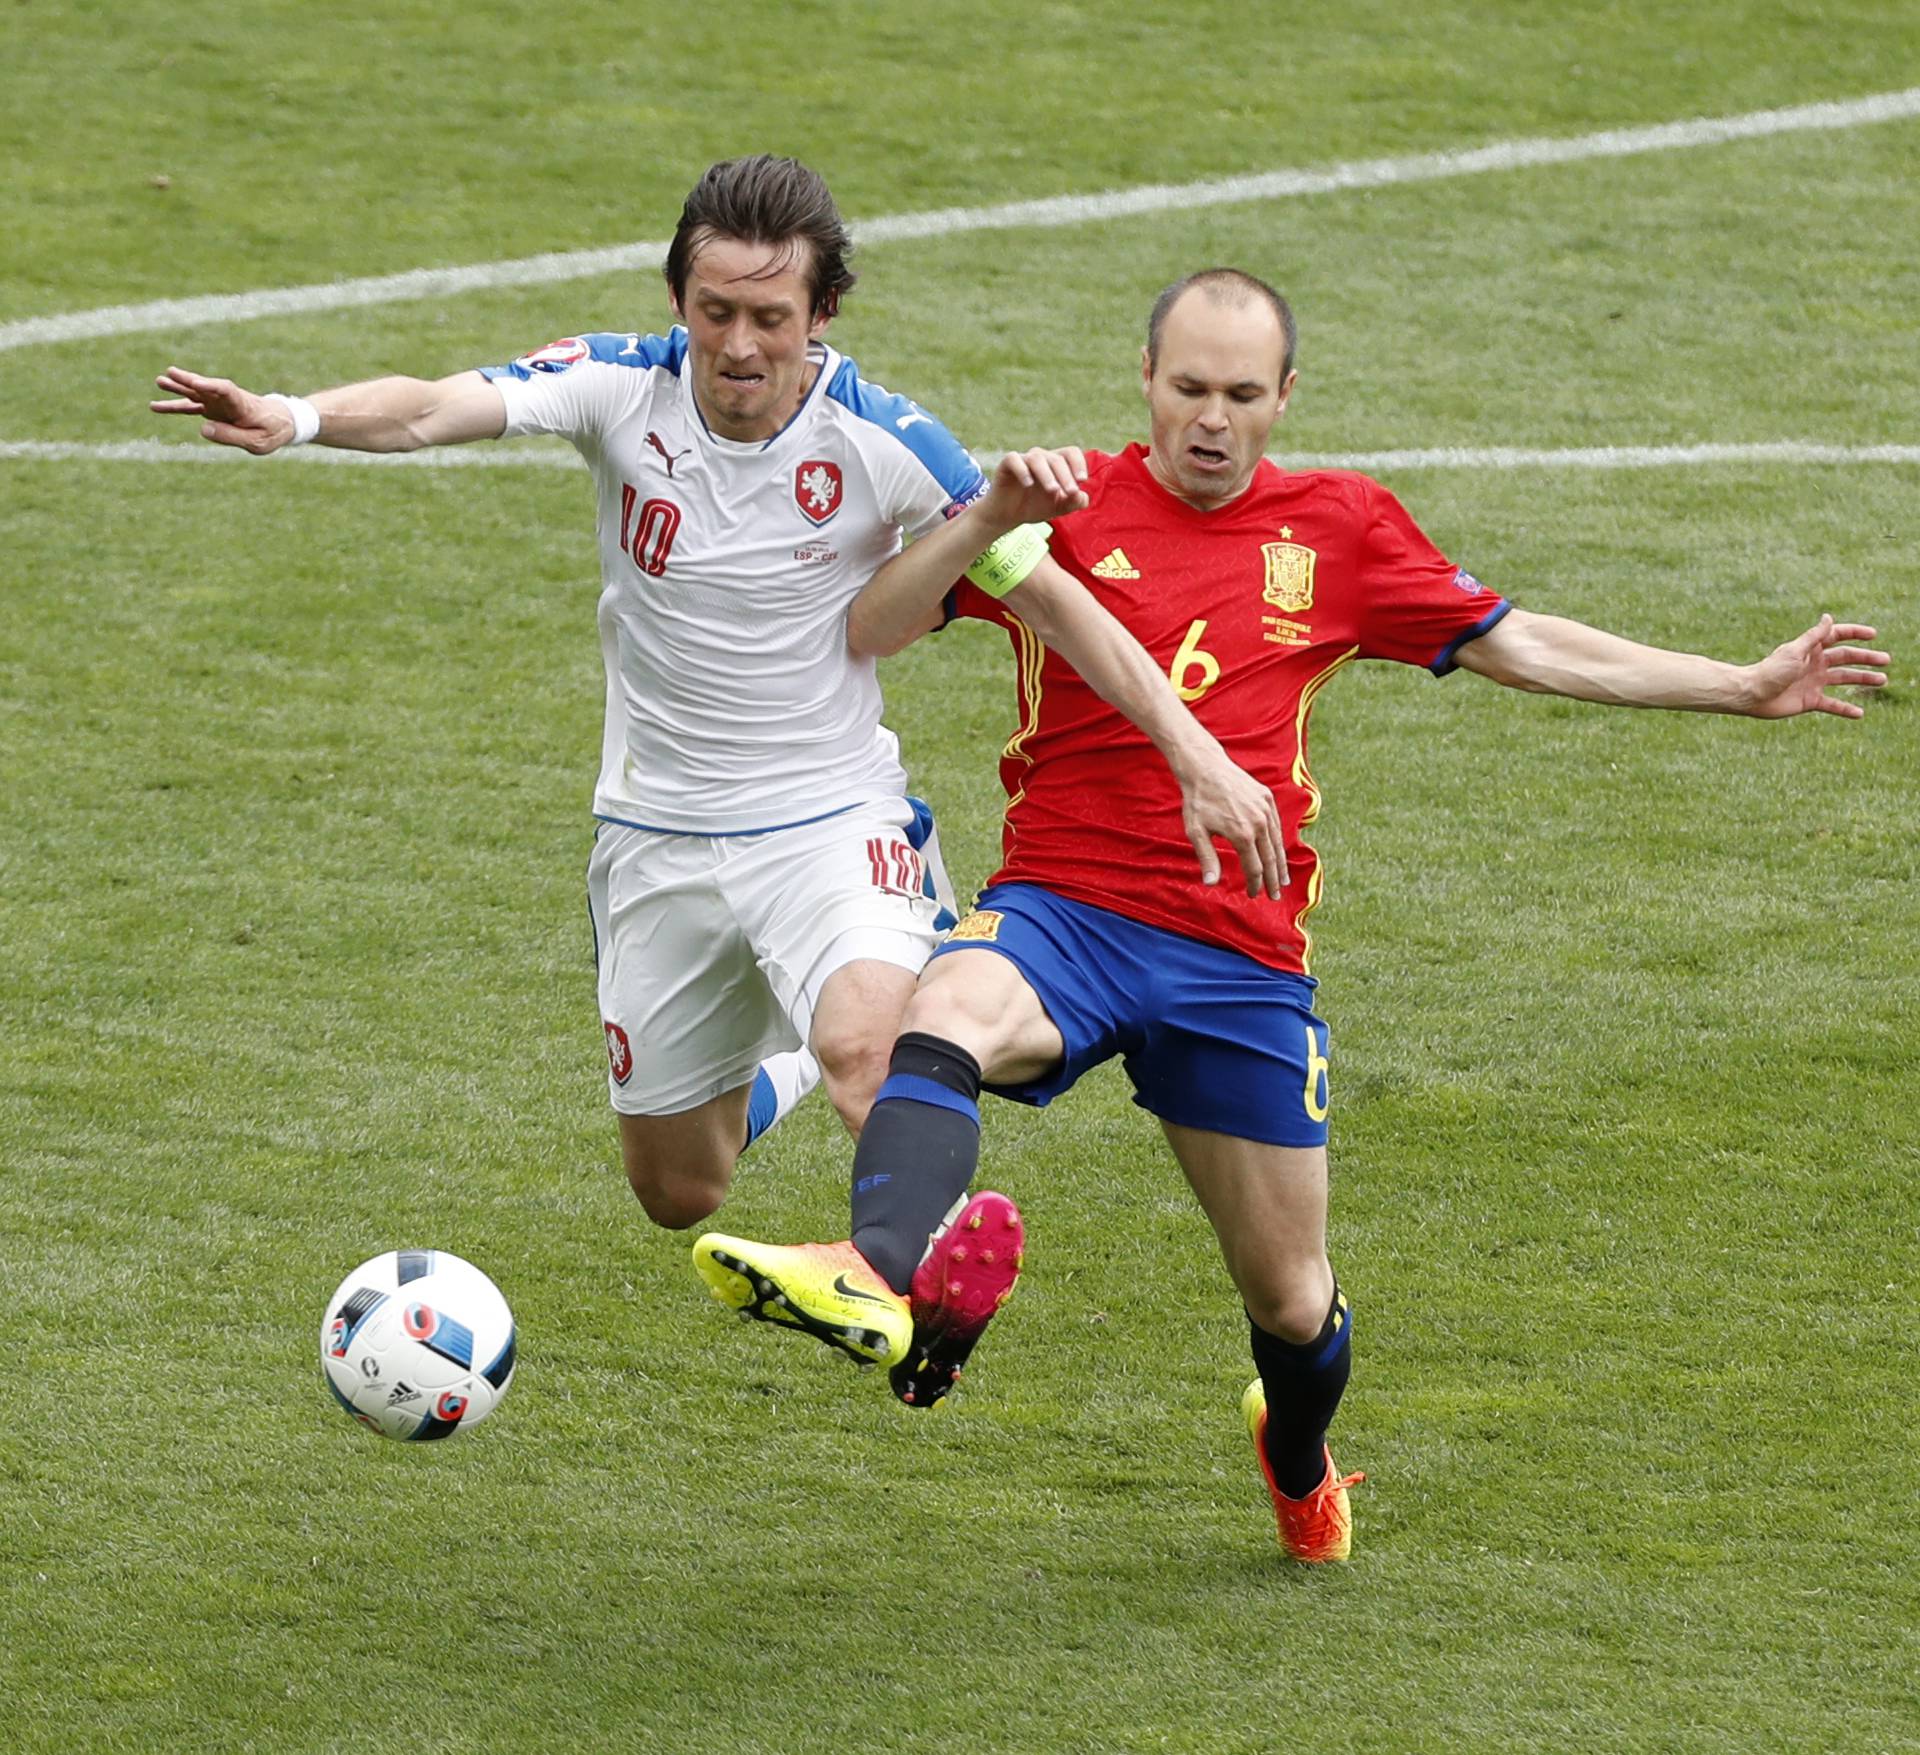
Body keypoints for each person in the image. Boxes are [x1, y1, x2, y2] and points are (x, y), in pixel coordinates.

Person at [691, 267, 1891, 1562]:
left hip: (1239, 959)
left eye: (1242, 395)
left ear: (1285, 398)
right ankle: (882, 1268)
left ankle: (1300, 1453)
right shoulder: (1068, 508)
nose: (1211, 419)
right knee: (945, 1014)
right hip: (1065, 910)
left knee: (1289, 1293)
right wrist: (990, 511)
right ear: (1145, 379)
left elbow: (1524, 642)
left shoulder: (1344, 527)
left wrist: (1742, 684)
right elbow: (869, 625)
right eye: (1190, 388)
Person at [151, 162, 1281, 1234]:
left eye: (771, 317)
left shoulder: (886, 439)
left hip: (830, 821)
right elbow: (430, 407)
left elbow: (1063, 604)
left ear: (822, 312)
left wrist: (1197, 754)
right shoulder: (618, 386)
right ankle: (778, 1065)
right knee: (681, 1190)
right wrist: (293, 417)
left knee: (870, 1055)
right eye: (714, 311)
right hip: (656, 836)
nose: (738, 346)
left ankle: (919, 1291)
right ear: (681, 300)